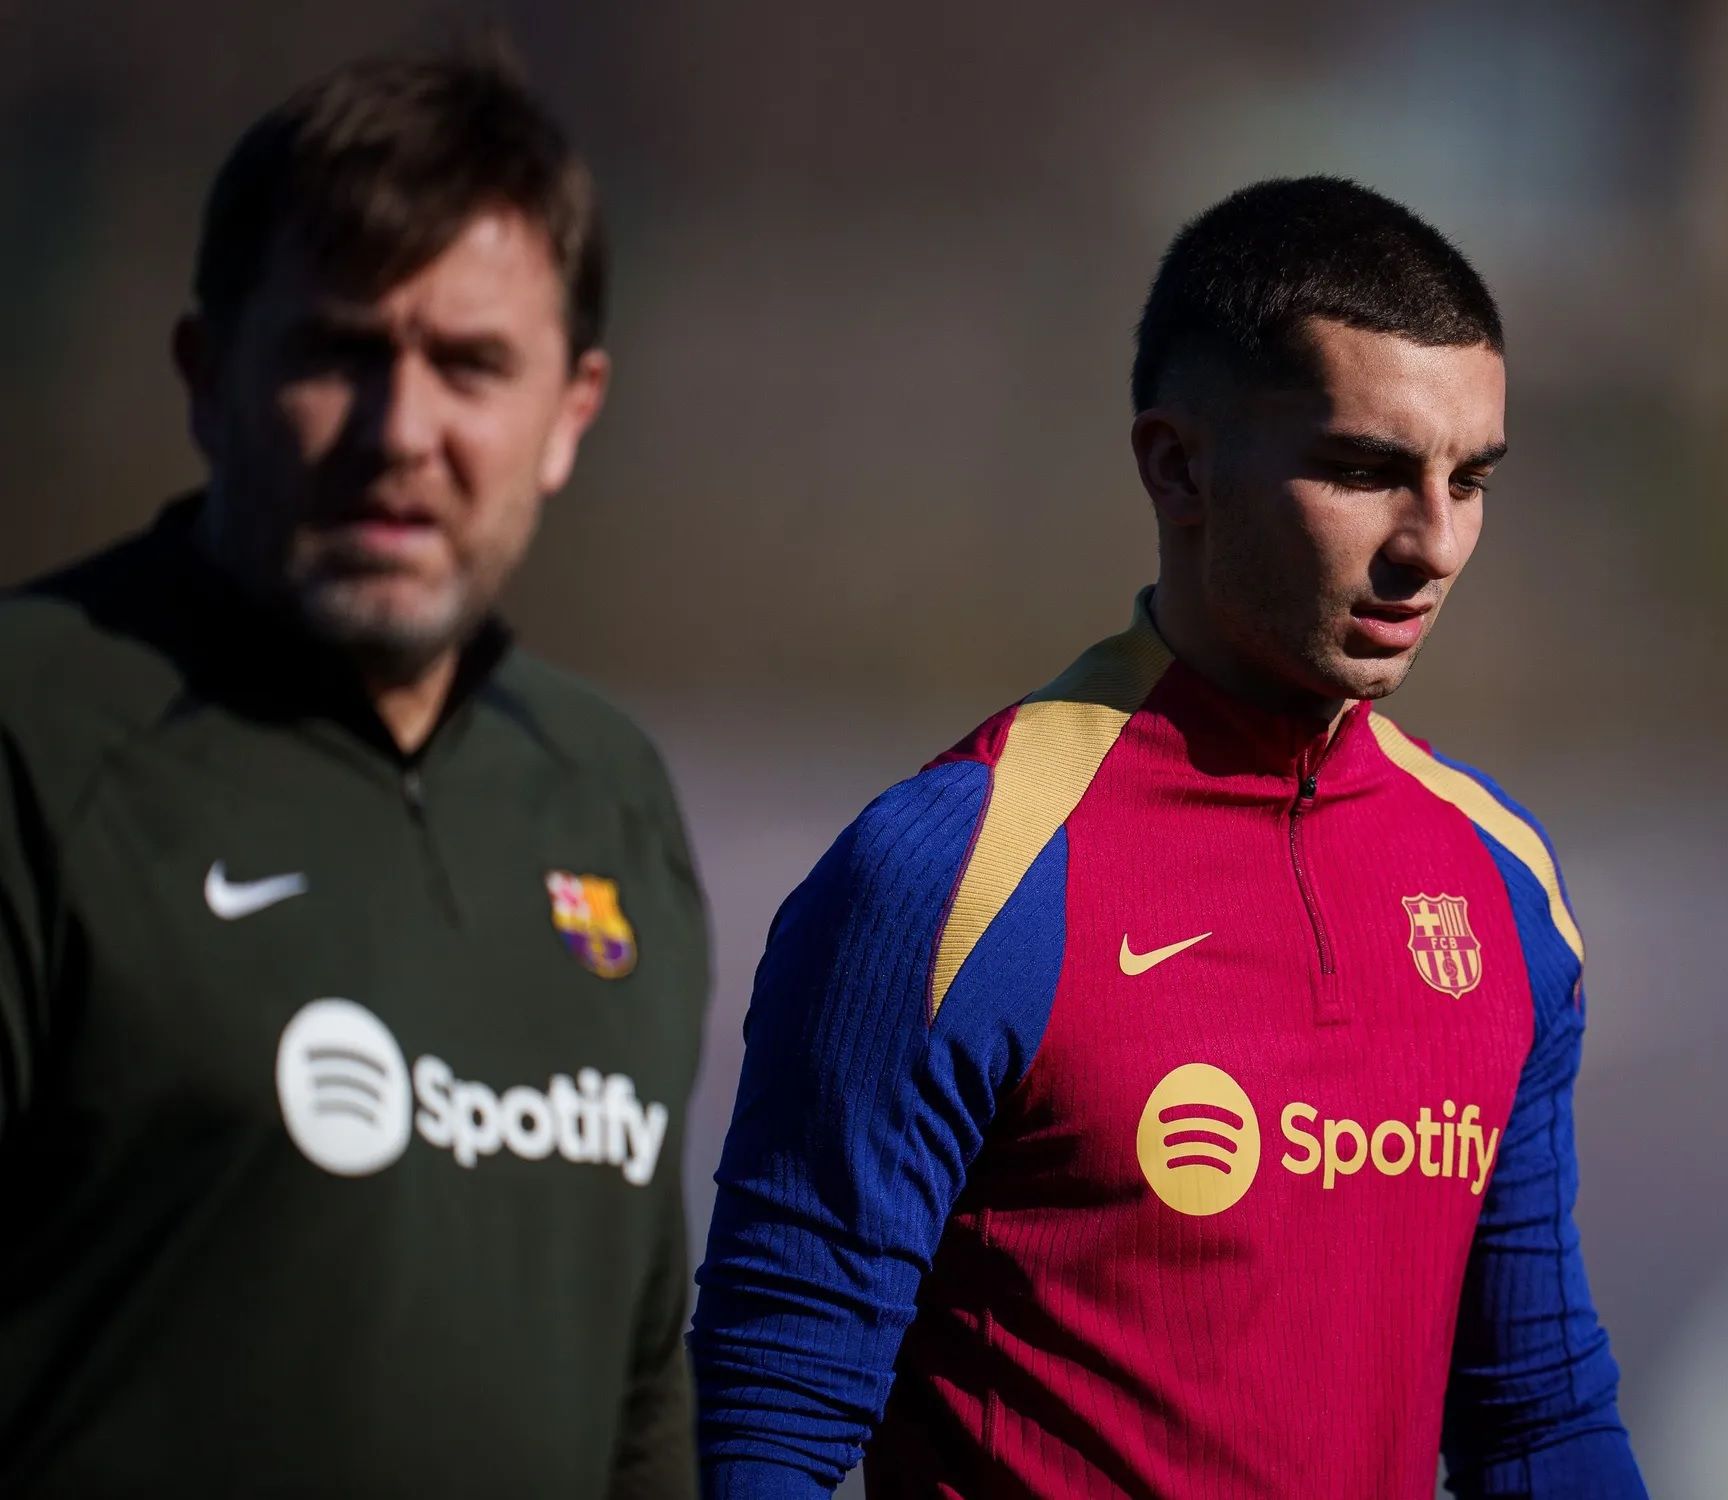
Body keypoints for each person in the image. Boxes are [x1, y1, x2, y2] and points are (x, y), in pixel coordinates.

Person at [690, 176, 1646, 1498]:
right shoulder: (954, 874)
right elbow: (769, 1420)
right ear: (1177, 464)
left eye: (1469, 478)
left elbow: (1537, 1418)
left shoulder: (1501, 883)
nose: (1433, 543)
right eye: (1366, 470)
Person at [0, 49, 708, 1498]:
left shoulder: (609, 797)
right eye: (336, 353)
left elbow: (639, 1391)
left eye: (471, 366)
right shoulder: (36, 733)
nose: (401, 434)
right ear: (207, 377)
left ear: (571, 412)